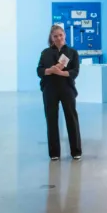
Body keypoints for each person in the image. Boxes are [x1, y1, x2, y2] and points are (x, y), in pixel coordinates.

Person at [37, 25, 82, 161]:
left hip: (67, 89)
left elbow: (75, 71)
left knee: (71, 119)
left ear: (65, 35)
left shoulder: (72, 52)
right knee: (51, 120)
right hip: (49, 89)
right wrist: (50, 70)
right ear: (51, 37)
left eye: (60, 35)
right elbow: (39, 71)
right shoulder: (45, 53)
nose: (58, 38)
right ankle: (54, 153)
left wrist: (61, 73)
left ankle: (76, 151)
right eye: (55, 36)